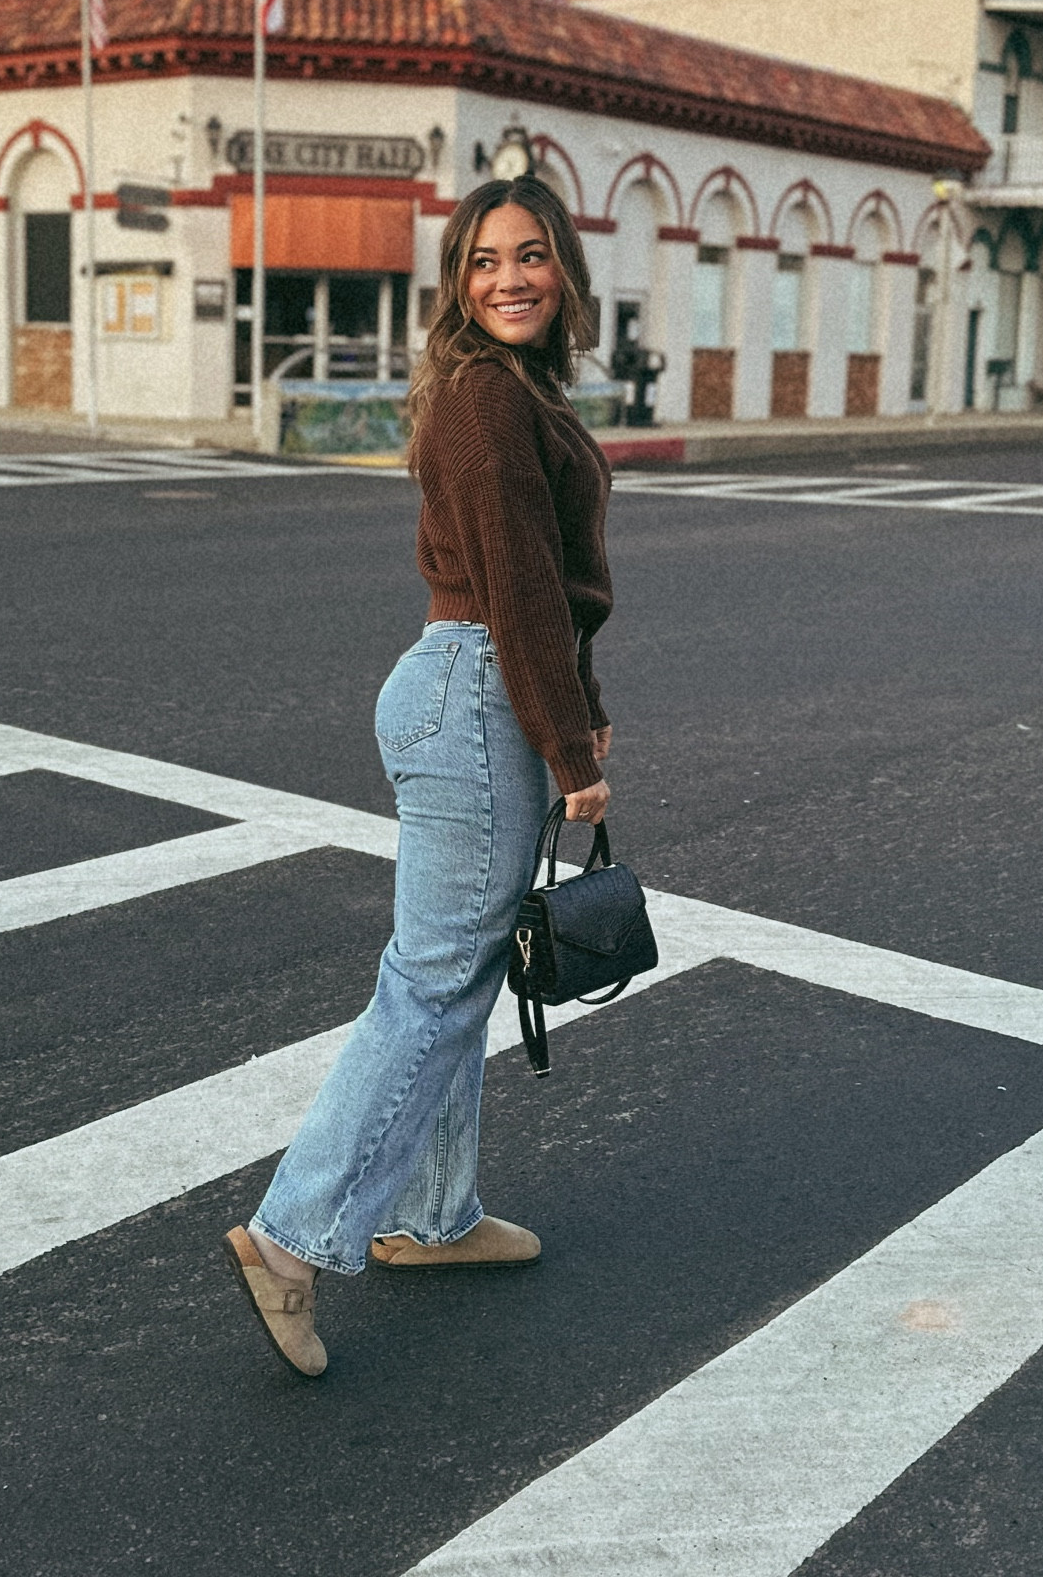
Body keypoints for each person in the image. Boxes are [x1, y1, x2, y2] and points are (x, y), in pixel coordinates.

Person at [224, 174, 614, 1378]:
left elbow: (526, 586)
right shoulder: (492, 404)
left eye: (532, 254)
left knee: (457, 964)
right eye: (487, 258)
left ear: (563, 272)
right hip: (480, 689)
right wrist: (572, 744)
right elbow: (520, 590)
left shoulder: (505, 392)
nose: (510, 276)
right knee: (436, 981)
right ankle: (292, 1238)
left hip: (462, 684)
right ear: (458, 278)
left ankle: (432, 1215)